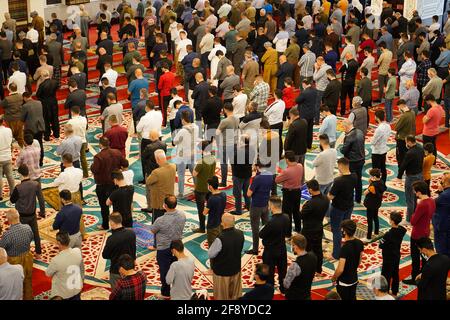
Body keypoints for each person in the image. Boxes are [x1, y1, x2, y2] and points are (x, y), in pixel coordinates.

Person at [149, 195, 186, 298]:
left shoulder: (160, 220)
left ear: (164, 206)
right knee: (177, 270)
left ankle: (165, 293)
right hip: (177, 247)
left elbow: (152, 230)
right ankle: (177, 289)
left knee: (165, 271)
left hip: (164, 249)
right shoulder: (182, 215)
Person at [91, 137, 127, 230]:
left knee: (104, 206)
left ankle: (105, 225)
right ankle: (118, 224)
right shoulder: (117, 152)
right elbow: (125, 163)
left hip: (102, 185)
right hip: (115, 184)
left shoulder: (98, 156)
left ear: (100, 144)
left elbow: (94, 169)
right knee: (117, 205)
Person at [403, 181, 436, 286]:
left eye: (414, 191)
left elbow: (412, 221)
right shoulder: (431, 200)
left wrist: (414, 211)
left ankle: (414, 277)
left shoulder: (422, 204)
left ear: (418, 192)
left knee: (415, 256)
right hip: (426, 230)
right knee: (424, 256)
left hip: (417, 234)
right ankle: (424, 274)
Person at [208, 213, 244, 300]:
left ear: (222, 223)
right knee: (235, 296)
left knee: (222, 297)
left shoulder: (220, 238)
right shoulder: (240, 233)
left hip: (222, 273)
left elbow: (211, 254)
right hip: (236, 269)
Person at [259, 196, 290, 293]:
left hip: (270, 251)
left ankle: (270, 290)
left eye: (269, 205)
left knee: (269, 272)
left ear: (272, 206)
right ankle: (283, 289)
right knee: (282, 271)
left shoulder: (271, 222)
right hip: (282, 248)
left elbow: (261, 234)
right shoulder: (286, 217)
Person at [0, 209, 33, 300]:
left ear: (8, 220)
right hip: (28, 257)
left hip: (13, 261)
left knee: (14, 282)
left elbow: (2, 249)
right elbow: (31, 239)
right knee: (28, 280)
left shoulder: (8, 234)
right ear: (18, 217)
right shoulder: (28, 227)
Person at [328, 157, 356, 260]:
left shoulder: (338, 181)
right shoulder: (354, 176)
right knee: (346, 228)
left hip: (338, 208)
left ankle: (336, 254)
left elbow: (330, 196)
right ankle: (348, 248)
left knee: (336, 230)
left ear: (340, 166)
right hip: (349, 205)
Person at [300, 179, 329, 274]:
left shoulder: (310, 204)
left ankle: (308, 269)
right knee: (318, 249)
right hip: (319, 227)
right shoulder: (326, 199)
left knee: (307, 250)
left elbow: (301, 216)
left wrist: (302, 207)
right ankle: (318, 269)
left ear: (311, 190)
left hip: (308, 230)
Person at [102, 212, 137, 290]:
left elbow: (105, 255)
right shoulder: (131, 233)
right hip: (130, 268)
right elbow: (134, 249)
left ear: (111, 223)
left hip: (116, 270)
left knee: (117, 292)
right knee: (129, 290)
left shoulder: (111, 239)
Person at [331, 219, 364, 300]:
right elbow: (359, 261)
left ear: (344, 231)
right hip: (354, 278)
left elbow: (340, 269)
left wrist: (334, 277)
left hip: (344, 282)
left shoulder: (345, 248)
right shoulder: (360, 243)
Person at [45, 231, 84, 300]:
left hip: (64, 293)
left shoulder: (56, 260)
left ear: (59, 243)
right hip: (77, 288)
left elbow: (48, 274)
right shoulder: (77, 251)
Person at [246, 160, 273, 255]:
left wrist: (252, 180)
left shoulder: (257, 178)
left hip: (256, 206)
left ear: (257, 166)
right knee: (266, 227)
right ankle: (268, 247)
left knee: (255, 229)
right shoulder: (270, 174)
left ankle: (255, 250)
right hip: (266, 204)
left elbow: (248, 194)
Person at [395, 135, 424, 222]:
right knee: (416, 195)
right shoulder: (420, 148)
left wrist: (399, 177)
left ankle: (409, 219)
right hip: (419, 174)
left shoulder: (410, 153)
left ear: (410, 142)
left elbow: (403, 165)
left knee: (409, 198)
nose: (406, 144)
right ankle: (414, 213)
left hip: (411, 177)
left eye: (406, 142)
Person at [275, 151, 303, 236]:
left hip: (289, 193)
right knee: (296, 211)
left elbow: (276, 180)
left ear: (287, 159)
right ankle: (298, 228)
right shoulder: (300, 166)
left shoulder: (287, 171)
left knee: (287, 213)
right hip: (298, 191)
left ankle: (287, 232)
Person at [379, 211, 407, 296]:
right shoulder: (402, 230)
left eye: (390, 218)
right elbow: (402, 228)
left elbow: (381, 245)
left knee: (385, 275)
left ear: (392, 221)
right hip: (396, 255)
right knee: (395, 274)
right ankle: (395, 291)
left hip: (388, 257)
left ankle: (385, 292)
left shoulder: (388, 234)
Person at [283, 234, 317, 300]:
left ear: (296, 246)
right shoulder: (313, 256)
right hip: (307, 294)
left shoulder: (295, 265)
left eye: (292, 244)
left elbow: (286, 284)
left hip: (295, 296)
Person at [146, 150, 176, 222]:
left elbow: (148, 181)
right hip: (169, 200)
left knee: (157, 222)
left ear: (157, 159)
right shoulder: (173, 166)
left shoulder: (156, 172)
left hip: (159, 202)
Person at [340, 119, 365, 203]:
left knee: (350, 181)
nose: (343, 129)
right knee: (359, 180)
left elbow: (344, 150)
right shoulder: (360, 131)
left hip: (352, 161)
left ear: (346, 126)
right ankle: (358, 199)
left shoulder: (349, 136)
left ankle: (349, 199)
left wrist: (340, 148)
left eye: (343, 127)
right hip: (361, 159)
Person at [216, 103, 239, 187]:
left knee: (224, 163)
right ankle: (234, 179)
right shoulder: (237, 119)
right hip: (235, 143)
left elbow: (217, 132)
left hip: (225, 144)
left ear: (225, 109)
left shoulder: (225, 121)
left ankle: (223, 181)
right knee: (233, 163)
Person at [362, 169, 386, 242]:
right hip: (377, 203)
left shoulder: (373, 185)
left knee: (369, 220)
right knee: (375, 217)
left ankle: (368, 237)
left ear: (374, 177)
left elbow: (365, 193)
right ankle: (376, 232)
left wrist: (370, 185)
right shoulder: (381, 181)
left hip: (370, 204)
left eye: (371, 176)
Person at [203, 176, 226, 246]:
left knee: (212, 246)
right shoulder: (223, 194)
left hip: (212, 225)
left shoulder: (212, 199)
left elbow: (204, 213)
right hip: (221, 222)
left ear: (210, 186)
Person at [296, 79, 317, 150]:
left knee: (303, 131)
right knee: (310, 130)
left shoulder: (304, 92)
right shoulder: (314, 90)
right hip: (312, 113)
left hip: (304, 114)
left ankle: (303, 146)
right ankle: (309, 145)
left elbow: (297, 100)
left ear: (304, 84)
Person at [371, 110, 391, 184]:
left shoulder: (379, 129)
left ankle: (376, 185)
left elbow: (373, 142)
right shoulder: (388, 126)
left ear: (377, 117)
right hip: (384, 149)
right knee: (383, 168)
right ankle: (383, 183)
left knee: (375, 170)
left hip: (377, 151)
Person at [422, 95, 444, 161]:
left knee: (426, 149)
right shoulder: (440, 107)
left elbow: (424, 121)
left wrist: (425, 117)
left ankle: (427, 162)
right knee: (433, 146)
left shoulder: (431, 110)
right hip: (435, 130)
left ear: (429, 101)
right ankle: (433, 161)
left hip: (428, 132)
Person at [395, 100, 415, 169]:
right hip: (409, 137)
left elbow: (396, 127)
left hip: (402, 138)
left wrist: (399, 119)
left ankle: (401, 169)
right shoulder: (412, 112)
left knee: (400, 156)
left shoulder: (404, 116)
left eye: (398, 107)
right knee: (407, 154)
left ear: (401, 105)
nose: (398, 108)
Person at [433, 173, 450, 256]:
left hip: (443, 226)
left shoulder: (444, 195)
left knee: (442, 250)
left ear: (446, 183)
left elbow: (434, 203)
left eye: (441, 181)